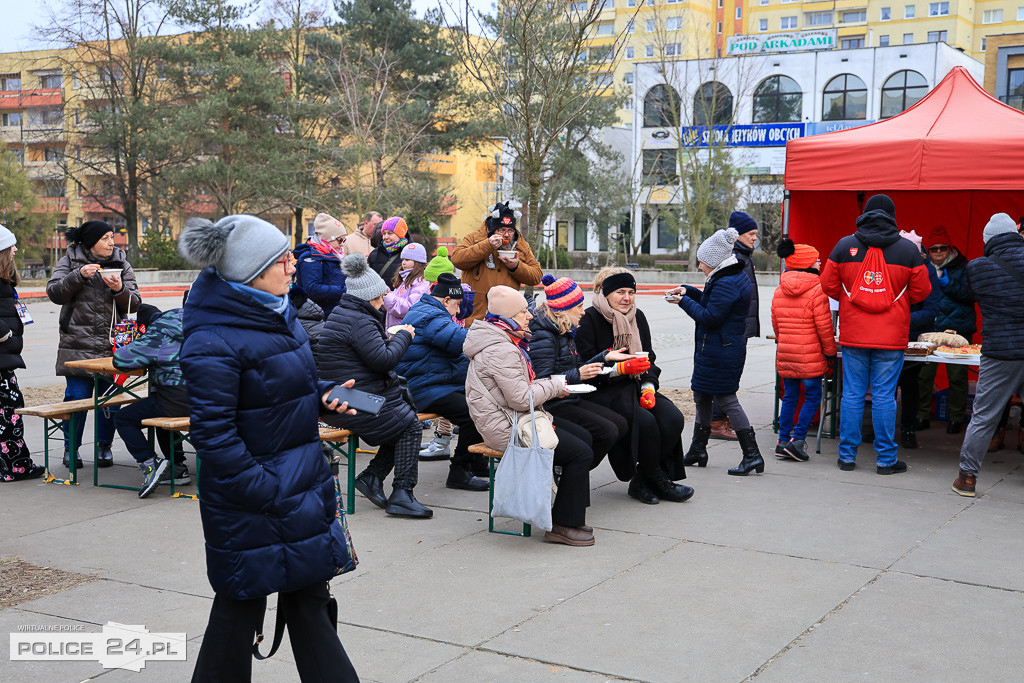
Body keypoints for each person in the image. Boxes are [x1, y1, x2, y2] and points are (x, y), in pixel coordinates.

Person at [177, 214, 359, 682]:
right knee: (239, 611)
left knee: (309, 605)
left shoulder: (276, 312)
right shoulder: (212, 338)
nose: (293, 266)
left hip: (299, 488)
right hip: (256, 502)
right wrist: (267, 491)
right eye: (281, 260)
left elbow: (285, 388)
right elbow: (213, 435)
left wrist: (326, 397)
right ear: (248, 271)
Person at [464, 285, 596, 546]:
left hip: (514, 418)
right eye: (524, 311)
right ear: (509, 316)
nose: (530, 316)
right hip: (506, 428)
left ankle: (566, 508)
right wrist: (557, 386)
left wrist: (551, 388)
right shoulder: (501, 349)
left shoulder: (502, 339)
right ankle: (562, 524)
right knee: (580, 452)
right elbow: (521, 398)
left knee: (584, 437)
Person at [819, 194, 931, 474]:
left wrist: (851, 300)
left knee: (853, 395)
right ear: (892, 217)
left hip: (854, 334)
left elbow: (828, 285)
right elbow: (922, 292)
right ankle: (885, 460)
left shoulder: (845, 246)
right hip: (891, 337)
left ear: (865, 214)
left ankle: (846, 457)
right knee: (884, 396)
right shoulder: (907, 250)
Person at [318, 253, 433, 518]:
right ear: (367, 297)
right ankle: (402, 494)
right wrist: (404, 335)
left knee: (402, 423)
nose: (383, 304)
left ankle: (372, 477)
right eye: (379, 298)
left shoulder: (345, 313)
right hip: (352, 400)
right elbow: (383, 360)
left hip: (348, 395)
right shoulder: (359, 320)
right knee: (410, 427)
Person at [577, 268, 692, 505]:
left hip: (637, 385)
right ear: (606, 293)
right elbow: (585, 367)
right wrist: (619, 369)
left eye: (631, 292)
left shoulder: (637, 317)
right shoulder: (588, 319)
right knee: (646, 422)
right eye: (620, 292)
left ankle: (642, 480)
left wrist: (649, 385)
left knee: (672, 418)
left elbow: (649, 358)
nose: (627, 298)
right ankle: (656, 479)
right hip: (602, 390)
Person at [46, 220, 141, 470]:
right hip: (76, 343)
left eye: (113, 237)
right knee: (76, 398)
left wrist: (119, 289)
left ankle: (104, 447)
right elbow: (55, 293)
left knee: (110, 400)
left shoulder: (121, 262)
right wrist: (78, 276)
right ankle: (71, 448)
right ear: (91, 242)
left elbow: (134, 304)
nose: (112, 242)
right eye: (106, 238)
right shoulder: (70, 260)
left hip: (112, 346)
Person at [669, 228, 760, 476]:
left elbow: (710, 317)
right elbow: (712, 302)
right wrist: (689, 290)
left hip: (722, 351)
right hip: (716, 350)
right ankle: (699, 448)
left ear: (714, 262)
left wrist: (683, 302)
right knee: (702, 396)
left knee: (726, 399)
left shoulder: (727, 281)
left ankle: (752, 455)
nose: (699, 266)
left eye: (702, 262)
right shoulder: (725, 275)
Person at [395, 272, 491, 491]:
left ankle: (476, 461)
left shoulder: (431, 311)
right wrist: (492, 331)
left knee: (482, 402)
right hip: (422, 388)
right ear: (446, 300)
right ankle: (459, 471)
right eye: (457, 305)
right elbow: (461, 342)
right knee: (473, 412)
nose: (458, 311)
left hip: (433, 382)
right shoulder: (431, 316)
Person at [951, 213, 1024, 496]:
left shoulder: (978, 268)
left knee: (984, 416)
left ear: (987, 240)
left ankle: (967, 478)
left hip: (1001, 351)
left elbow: (969, 296)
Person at [528, 274, 629, 470]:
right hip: (552, 404)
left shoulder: (564, 329)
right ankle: (570, 470)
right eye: (579, 307)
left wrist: (604, 357)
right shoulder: (545, 334)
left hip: (568, 398)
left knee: (620, 424)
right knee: (607, 431)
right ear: (564, 308)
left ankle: (574, 472)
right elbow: (542, 381)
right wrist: (578, 375)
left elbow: (578, 367)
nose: (583, 312)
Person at [112, 304, 191, 498]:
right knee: (157, 412)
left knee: (123, 418)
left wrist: (138, 343)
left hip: (178, 396)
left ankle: (149, 463)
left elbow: (121, 360)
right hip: (210, 395)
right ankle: (177, 467)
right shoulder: (195, 321)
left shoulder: (158, 332)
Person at [770, 239, 837, 462]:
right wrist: (830, 353)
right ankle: (798, 440)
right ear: (807, 263)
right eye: (817, 259)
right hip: (810, 357)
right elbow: (825, 327)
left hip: (787, 356)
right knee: (812, 396)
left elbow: (777, 326)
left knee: (789, 397)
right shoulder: (818, 289)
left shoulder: (780, 289)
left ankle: (782, 441)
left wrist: (786, 343)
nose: (820, 262)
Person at [917, 225, 976, 435]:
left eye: (943, 247)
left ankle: (956, 419)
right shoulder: (922, 267)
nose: (939, 251)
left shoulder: (965, 266)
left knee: (958, 376)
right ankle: (921, 415)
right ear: (929, 251)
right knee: (924, 374)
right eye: (934, 248)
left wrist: (948, 283)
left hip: (958, 328)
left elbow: (971, 295)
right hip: (931, 328)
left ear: (950, 248)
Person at [709, 211, 761, 441]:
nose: (755, 238)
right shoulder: (734, 257)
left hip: (739, 327)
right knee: (726, 376)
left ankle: (719, 418)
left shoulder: (743, 255)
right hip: (733, 328)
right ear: (737, 234)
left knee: (731, 375)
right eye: (751, 234)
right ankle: (716, 422)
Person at [451, 202, 542, 326]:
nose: (506, 235)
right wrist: (487, 246)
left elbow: (536, 276)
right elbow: (457, 259)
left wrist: (516, 266)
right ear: (492, 230)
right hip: (475, 319)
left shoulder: (521, 244)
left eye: (510, 231)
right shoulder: (475, 238)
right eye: (501, 230)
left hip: (507, 321)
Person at [0, 226, 42, 482]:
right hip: (2, 358)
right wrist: (4, 333)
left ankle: (11, 465)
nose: (16, 249)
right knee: (10, 413)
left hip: (5, 358)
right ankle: (16, 467)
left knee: (8, 411)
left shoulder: (5, 279)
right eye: (11, 246)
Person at [895, 229, 941, 450]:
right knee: (885, 386)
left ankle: (908, 430)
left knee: (910, 385)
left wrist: (900, 319)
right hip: (888, 337)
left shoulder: (927, 270)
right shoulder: (890, 267)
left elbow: (932, 310)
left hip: (913, 339)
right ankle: (879, 430)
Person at [293, 212, 346, 320]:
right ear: (327, 238)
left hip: (332, 313)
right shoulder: (311, 256)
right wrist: (344, 290)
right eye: (339, 240)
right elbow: (312, 289)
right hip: (319, 316)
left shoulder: (330, 254)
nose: (342, 244)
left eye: (344, 240)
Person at [383, 242, 429, 329]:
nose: (403, 263)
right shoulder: (405, 278)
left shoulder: (421, 282)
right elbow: (396, 299)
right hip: (398, 330)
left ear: (418, 262)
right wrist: (383, 293)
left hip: (406, 331)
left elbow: (409, 307)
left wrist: (387, 297)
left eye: (407, 260)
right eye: (403, 259)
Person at [367, 216, 411, 288]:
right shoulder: (375, 254)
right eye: (384, 233)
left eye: (390, 233)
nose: (385, 237)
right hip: (378, 297)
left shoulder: (411, 253)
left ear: (400, 235)